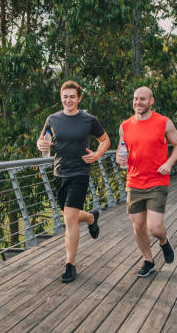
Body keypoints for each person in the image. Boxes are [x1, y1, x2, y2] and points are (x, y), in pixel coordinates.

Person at [37, 80, 110, 283]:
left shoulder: (88, 120)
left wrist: (96, 155)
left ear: (78, 99)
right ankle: (90, 218)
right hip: (59, 173)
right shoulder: (52, 119)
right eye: (65, 96)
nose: (68, 100)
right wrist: (40, 143)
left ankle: (70, 265)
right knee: (69, 215)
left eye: (72, 96)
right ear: (61, 98)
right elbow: (41, 140)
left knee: (69, 218)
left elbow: (105, 140)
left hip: (80, 173)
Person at [116, 86, 177, 277]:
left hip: (157, 180)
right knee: (138, 226)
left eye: (143, 99)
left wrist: (169, 163)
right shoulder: (125, 126)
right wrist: (120, 159)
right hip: (134, 182)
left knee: (154, 227)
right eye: (135, 99)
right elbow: (123, 152)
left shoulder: (164, 122)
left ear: (151, 101)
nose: (138, 102)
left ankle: (163, 241)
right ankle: (148, 260)